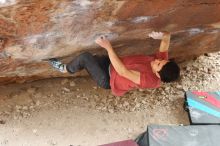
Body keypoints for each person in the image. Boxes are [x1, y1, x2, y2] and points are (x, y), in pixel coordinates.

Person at [49, 31, 180, 96]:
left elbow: (123, 71)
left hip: (109, 79)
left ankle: (65, 69)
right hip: (112, 65)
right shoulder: (163, 65)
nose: (157, 60)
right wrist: (163, 35)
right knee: (96, 58)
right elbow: (167, 39)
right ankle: (83, 64)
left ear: (157, 75)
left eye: (158, 64)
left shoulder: (148, 80)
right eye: (161, 60)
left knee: (86, 58)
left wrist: (108, 47)